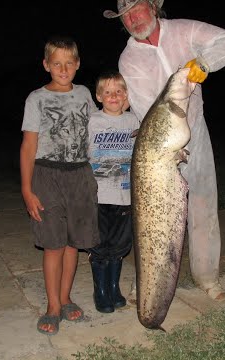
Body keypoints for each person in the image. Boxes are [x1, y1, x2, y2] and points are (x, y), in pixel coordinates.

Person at [103, 0, 225, 301]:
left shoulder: (184, 29)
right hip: (157, 144)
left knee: (203, 204)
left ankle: (207, 277)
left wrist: (204, 62)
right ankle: (149, 282)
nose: (133, 18)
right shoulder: (128, 59)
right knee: (154, 217)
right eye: (126, 16)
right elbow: (146, 109)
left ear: (153, 8)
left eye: (138, 9)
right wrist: (167, 145)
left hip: (197, 131)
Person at [20, 36, 99, 335]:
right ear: (46, 65)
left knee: (72, 243)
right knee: (53, 244)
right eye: (57, 64)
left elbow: (98, 128)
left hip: (80, 174)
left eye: (69, 63)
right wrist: (27, 190)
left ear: (78, 64)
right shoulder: (36, 99)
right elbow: (28, 147)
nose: (63, 69)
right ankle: (53, 306)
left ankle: (66, 298)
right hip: (47, 175)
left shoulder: (84, 94)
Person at [87, 70, 139, 313]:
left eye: (119, 91)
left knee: (119, 245)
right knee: (100, 245)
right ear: (99, 96)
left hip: (125, 195)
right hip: (98, 196)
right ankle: (101, 291)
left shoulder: (134, 121)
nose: (114, 96)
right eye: (107, 92)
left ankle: (114, 288)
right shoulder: (92, 121)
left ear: (126, 95)